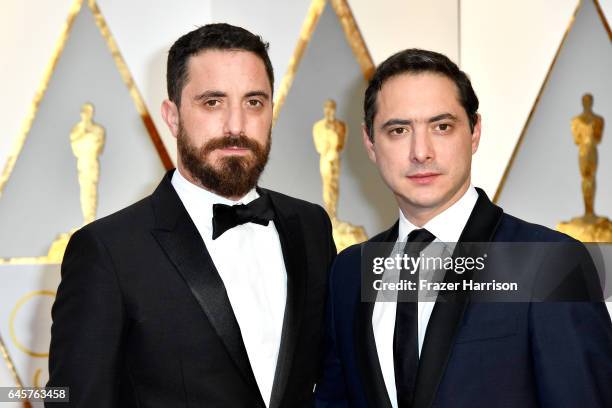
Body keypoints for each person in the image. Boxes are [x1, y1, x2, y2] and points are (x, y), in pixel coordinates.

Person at [47, 23, 336, 407]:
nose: (236, 126)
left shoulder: (312, 226)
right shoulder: (107, 251)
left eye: (254, 102)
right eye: (212, 102)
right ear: (172, 117)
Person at [314, 49, 612, 408]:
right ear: (370, 143)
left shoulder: (551, 263)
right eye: (398, 130)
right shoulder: (349, 272)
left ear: (474, 133)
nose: (421, 151)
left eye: (442, 127)